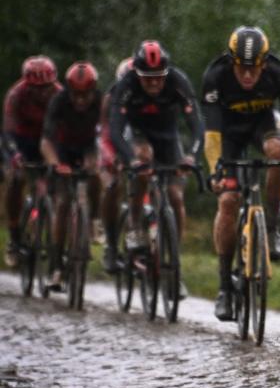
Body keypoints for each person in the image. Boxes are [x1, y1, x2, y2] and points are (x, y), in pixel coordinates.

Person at [202, 26, 280, 321]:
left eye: (253, 68)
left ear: (264, 63)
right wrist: (217, 171)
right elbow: (212, 134)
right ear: (232, 62)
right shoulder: (216, 76)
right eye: (241, 67)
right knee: (228, 200)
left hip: (263, 124)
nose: (247, 75)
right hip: (228, 133)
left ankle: (271, 228)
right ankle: (224, 287)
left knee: (278, 153)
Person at [109, 40, 203, 297]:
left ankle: (174, 263)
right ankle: (136, 225)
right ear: (136, 75)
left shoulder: (178, 81)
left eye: (158, 79)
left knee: (175, 196)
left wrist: (192, 156)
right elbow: (115, 129)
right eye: (147, 79)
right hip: (138, 137)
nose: (153, 84)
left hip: (168, 138)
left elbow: (196, 123)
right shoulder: (126, 84)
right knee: (143, 157)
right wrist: (130, 160)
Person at [39, 61, 102, 289]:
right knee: (63, 203)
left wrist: (95, 161)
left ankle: (94, 220)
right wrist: (55, 163)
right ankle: (56, 266)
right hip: (62, 150)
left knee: (95, 176)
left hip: (88, 148)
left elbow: (104, 136)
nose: (81, 100)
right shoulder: (59, 101)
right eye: (76, 94)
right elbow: (46, 139)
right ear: (69, 90)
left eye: (86, 95)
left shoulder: (100, 102)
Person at [2, 56, 62, 267]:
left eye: (45, 87)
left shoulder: (59, 94)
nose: (42, 92)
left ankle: (55, 237)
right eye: (36, 88)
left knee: (56, 180)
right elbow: (7, 131)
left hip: (47, 139)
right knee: (16, 179)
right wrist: (15, 155)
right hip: (20, 140)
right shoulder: (15, 95)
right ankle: (14, 233)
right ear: (27, 84)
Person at [99, 57, 134, 272]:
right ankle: (111, 244)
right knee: (113, 186)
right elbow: (105, 134)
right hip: (114, 143)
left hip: (138, 142)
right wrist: (112, 158)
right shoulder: (110, 98)